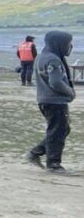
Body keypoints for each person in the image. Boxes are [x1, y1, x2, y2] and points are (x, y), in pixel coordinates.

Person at [26, 30, 75, 173]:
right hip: (55, 101)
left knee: (61, 129)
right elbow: (55, 82)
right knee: (57, 131)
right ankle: (53, 164)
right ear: (59, 43)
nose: (70, 47)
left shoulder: (41, 56)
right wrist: (70, 92)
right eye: (68, 44)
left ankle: (36, 152)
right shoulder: (53, 59)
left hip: (44, 99)